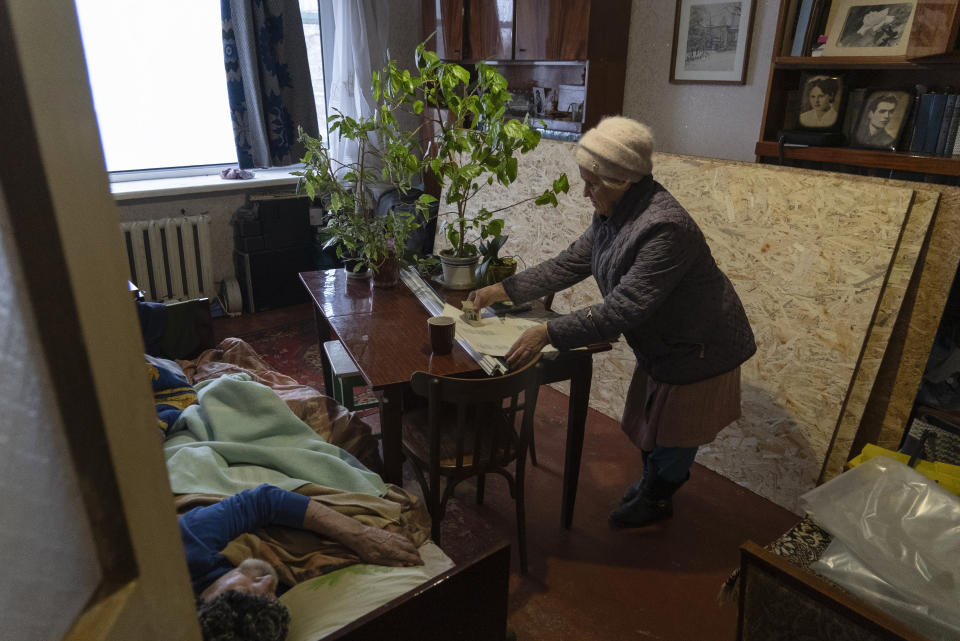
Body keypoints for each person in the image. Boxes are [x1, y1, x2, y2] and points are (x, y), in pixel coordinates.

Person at [468, 116, 756, 528]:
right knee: (651, 424)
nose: (586, 192)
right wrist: (502, 290)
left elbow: (623, 309)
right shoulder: (613, 212)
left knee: (676, 433)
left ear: (623, 180)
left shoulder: (664, 227)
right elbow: (570, 262)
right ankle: (653, 484)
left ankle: (658, 498)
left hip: (700, 345)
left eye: (592, 183)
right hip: (663, 341)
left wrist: (547, 332)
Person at [187, 483, 423, 640]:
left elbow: (261, 500)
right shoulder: (254, 622)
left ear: (202, 601)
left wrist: (359, 533)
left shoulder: (184, 551)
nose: (269, 580)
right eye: (270, 597)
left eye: (243, 589)